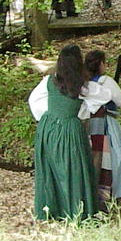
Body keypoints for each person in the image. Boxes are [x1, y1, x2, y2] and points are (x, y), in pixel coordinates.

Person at [28, 44, 112, 221]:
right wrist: (84, 110)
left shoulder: (49, 81)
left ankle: (52, 210)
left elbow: (34, 100)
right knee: (74, 169)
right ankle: (74, 211)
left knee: (52, 168)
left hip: (48, 127)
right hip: (70, 129)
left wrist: (49, 115)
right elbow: (105, 96)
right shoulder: (84, 87)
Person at [84, 50, 121, 206]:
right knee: (115, 155)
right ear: (100, 64)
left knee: (93, 156)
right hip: (106, 122)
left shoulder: (82, 82)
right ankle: (118, 192)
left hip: (88, 123)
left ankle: (92, 191)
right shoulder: (105, 81)